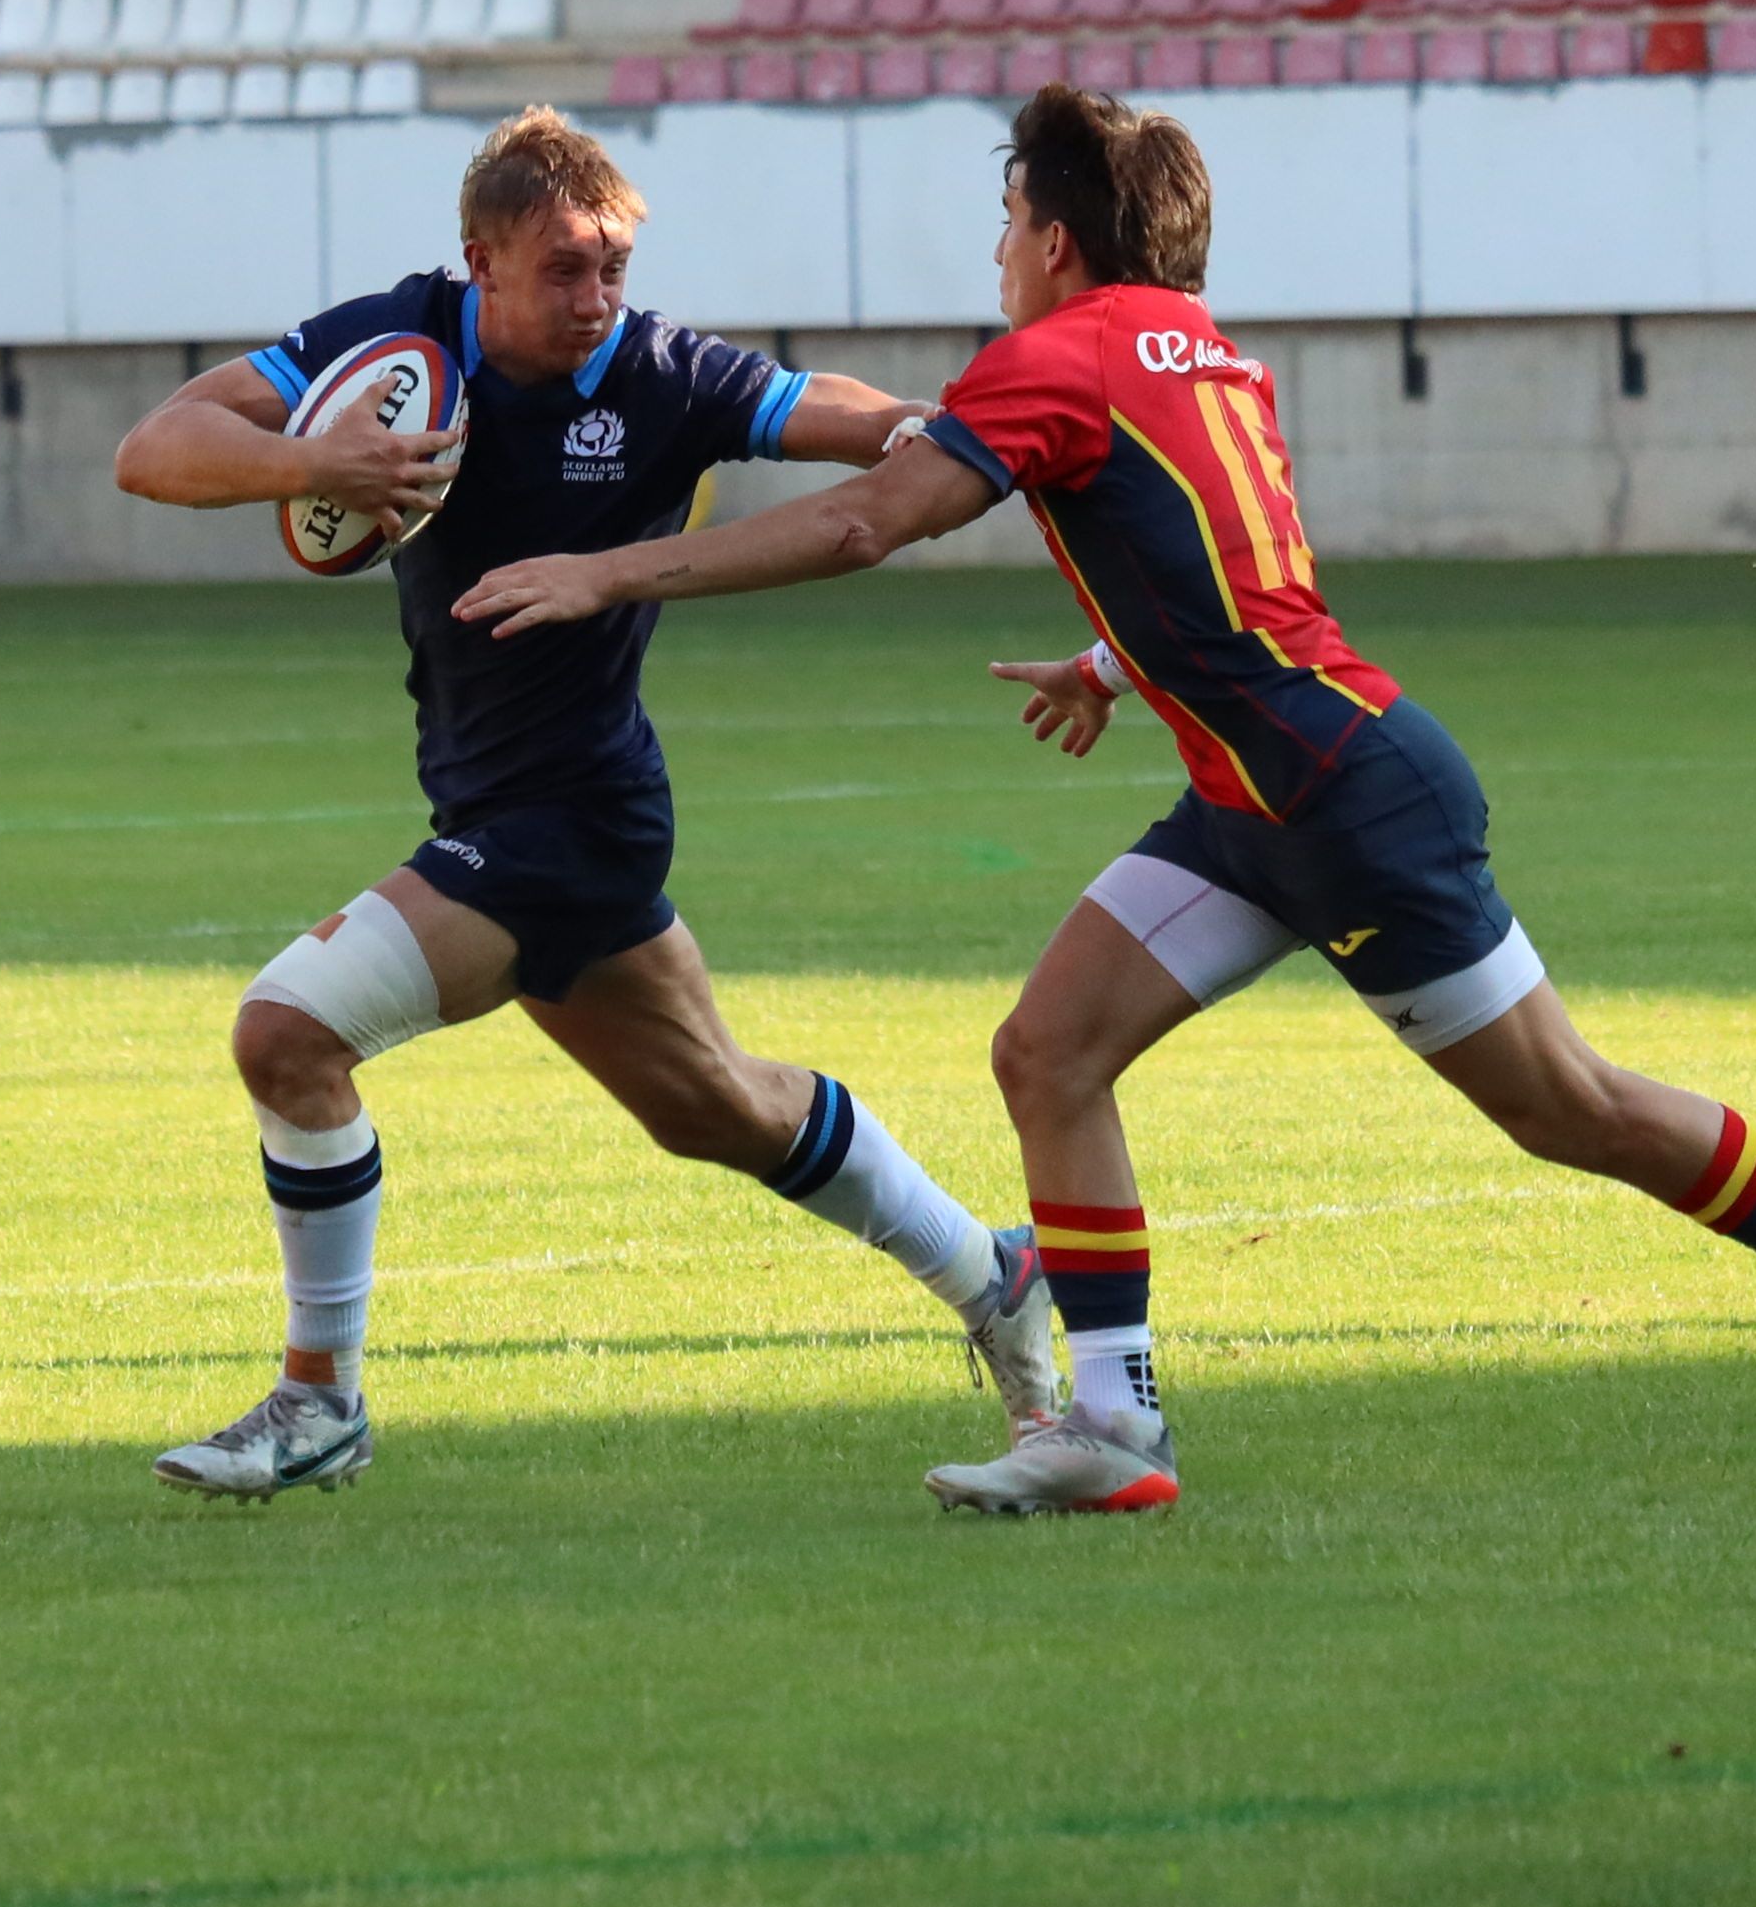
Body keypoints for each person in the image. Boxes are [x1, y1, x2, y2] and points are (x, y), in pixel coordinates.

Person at [453, 85, 1756, 1515]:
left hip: (1341, 799)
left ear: (1055, 239)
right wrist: (1120, 665)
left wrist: (607, 571)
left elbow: (865, 527)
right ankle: (1114, 1427)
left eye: (1006, 225)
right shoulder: (1190, 342)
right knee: (1047, 1052)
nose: (996, 253)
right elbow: (1228, 560)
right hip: (1260, 793)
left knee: (1566, 1107)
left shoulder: (1051, 358)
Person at [109, 107, 1059, 1499]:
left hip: (563, 820)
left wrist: (920, 425)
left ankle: (319, 1405)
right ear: (480, 260)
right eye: (565, 268)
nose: (596, 295)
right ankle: (996, 1273)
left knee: (288, 1034)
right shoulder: (401, 345)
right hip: (516, 808)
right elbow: (157, 446)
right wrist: (320, 464)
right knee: (720, 1110)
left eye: (611, 262)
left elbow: (813, 406)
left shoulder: (660, 369)